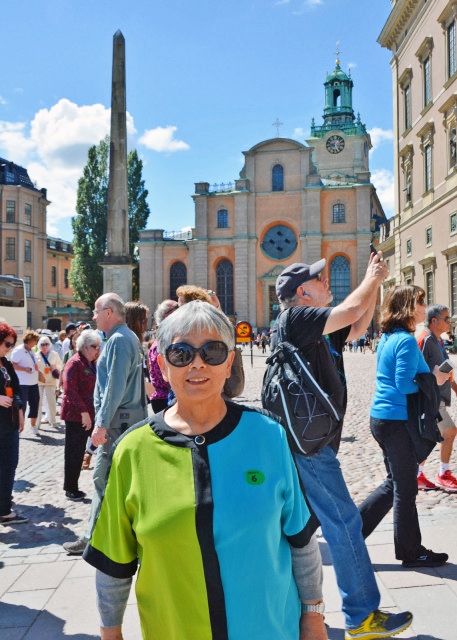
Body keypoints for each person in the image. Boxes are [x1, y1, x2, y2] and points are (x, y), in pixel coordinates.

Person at [83, 301, 323, 640]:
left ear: (228, 364)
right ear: (163, 366)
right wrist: (111, 634)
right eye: (181, 353)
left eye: (212, 351)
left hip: (267, 629)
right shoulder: (133, 451)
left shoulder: (269, 436)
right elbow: (113, 563)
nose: (198, 363)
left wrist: (313, 617)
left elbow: (301, 539)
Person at [273, 258, 413, 640]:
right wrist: (368, 280)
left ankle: (286, 607)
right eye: (319, 279)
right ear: (302, 292)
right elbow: (350, 309)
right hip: (310, 447)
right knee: (344, 522)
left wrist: (376, 283)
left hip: (313, 443)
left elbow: (358, 323)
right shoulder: (295, 319)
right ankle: (361, 614)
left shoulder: (316, 328)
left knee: (298, 528)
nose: (326, 281)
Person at [359, 286, 449, 569]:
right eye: (421, 302)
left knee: (395, 482)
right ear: (409, 307)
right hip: (396, 420)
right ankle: (411, 552)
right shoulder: (407, 342)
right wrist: (434, 379)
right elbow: (403, 384)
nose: (425, 306)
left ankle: (351, 533)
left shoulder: (388, 337)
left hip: (383, 418)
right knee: (406, 487)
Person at [63, 293, 147, 555]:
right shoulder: (123, 338)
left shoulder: (120, 340)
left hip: (117, 423)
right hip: (122, 421)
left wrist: (101, 423)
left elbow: (114, 387)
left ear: (109, 312)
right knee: (120, 482)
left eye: (96, 311)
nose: (93, 316)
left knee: (102, 478)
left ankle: (92, 538)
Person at [415, 305, 457, 492]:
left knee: (445, 434)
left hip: (437, 399)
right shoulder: (425, 339)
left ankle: (437, 473)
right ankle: (429, 474)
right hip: (430, 400)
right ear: (434, 321)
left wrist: (454, 387)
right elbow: (418, 371)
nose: (449, 322)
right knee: (441, 434)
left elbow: (444, 369)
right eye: (446, 319)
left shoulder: (437, 340)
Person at [60, 330, 101, 501]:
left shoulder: (91, 363)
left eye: (99, 346)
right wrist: (84, 413)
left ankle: (72, 486)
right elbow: (70, 391)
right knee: (74, 452)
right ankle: (71, 488)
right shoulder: (74, 363)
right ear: (84, 347)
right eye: (94, 347)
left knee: (81, 451)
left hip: (89, 414)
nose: (97, 350)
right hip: (76, 415)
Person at [0, 324, 27, 526]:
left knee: (10, 464)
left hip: (9, 422)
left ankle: (4, 506)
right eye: (7, 344)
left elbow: (16, 388)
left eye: (12, 345)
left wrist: (19, 412)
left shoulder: (6, 364)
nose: (10, 348)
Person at [148, 299, 178, 412]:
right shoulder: (163, 341)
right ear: (166, 316)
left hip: (166, 398)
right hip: (165, 400)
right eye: (177, 310)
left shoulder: (165, 338)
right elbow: (164, 373)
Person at [11, 330, 40, 436]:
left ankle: (33, 426)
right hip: (22, 383)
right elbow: (13, 365)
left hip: (33, 383)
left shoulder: (32, 350)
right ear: (29, 341)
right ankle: (19, 428)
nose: (36, 343)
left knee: (35, 405)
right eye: (35, 341)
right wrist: (24, 369)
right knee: (22, 407)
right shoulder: (18, 350)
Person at [125, 301, 153, 400]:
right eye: (143, 321)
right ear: (133, 321)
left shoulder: (135, 340)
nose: (146, 325)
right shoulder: (126, 341)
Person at [36, 335, 62, 430]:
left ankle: (53, 421)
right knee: (38, 402)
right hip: (39, 381)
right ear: (39, 345)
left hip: (51, 381)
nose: (45, 346)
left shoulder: (54, 354)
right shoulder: (36, 355)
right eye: (42, 344)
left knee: (52, 402)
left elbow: (60, 367)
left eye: (47, 344)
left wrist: (55, 368)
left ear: (50, 344)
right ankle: (37, 422)